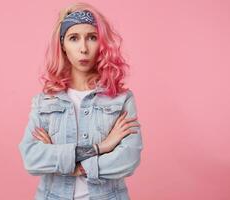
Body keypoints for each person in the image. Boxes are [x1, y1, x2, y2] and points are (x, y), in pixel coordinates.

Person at [18, 2, 143, 200]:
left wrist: (70, 163)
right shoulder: (44, 101)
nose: (83, 48)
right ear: (63, 46)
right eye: (74, 38)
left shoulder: (121, 99)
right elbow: (32, 159)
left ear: (102, 43)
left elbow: (128, 159)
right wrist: (100, 148)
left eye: (92, 38)